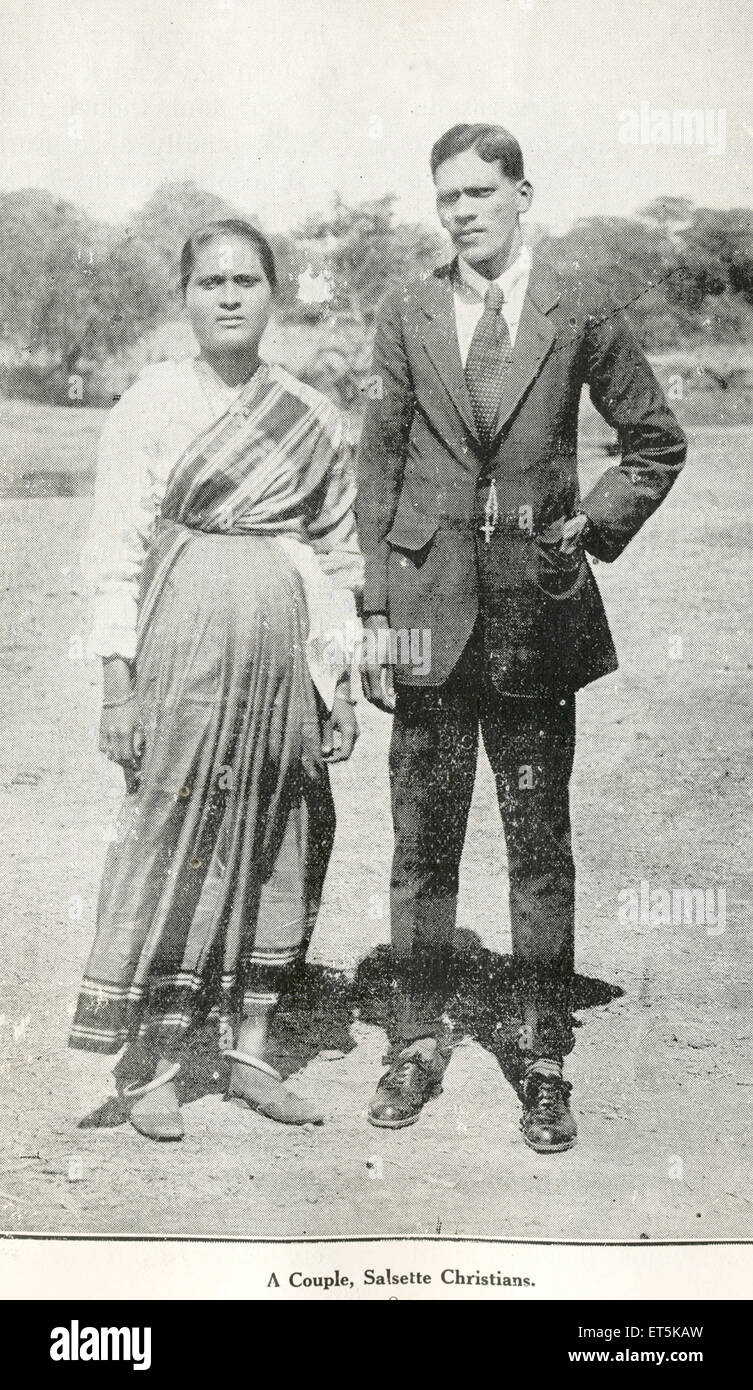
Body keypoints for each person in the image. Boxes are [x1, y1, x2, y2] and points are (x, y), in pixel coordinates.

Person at [356, 123, 686, 1151]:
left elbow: (655, 442)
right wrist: (374, 616)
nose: (464, 212)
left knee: (540, 848)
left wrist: (589, 523)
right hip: (424, 614)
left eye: (482, 194)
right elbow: (376, 468)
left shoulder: (576, 303)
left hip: (537, 615)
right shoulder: (406, 309)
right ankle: (413, 1037)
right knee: (423, 845)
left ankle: (544, 1056)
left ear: (522, 195)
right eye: (448, 195)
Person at [70, 219, 363, 1140]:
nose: (229, 296)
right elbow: (113, 551)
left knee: (282, 824)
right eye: (210, 282)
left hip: (284, 656)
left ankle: (250, 1052)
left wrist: (341, 685)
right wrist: (118, 688)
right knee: (174, 823)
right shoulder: (151, 405)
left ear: (275, 294)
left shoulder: (311, 414)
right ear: (185, 296)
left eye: (246, 280)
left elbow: (336, 555)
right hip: (181, 645)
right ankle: (150, 1061)